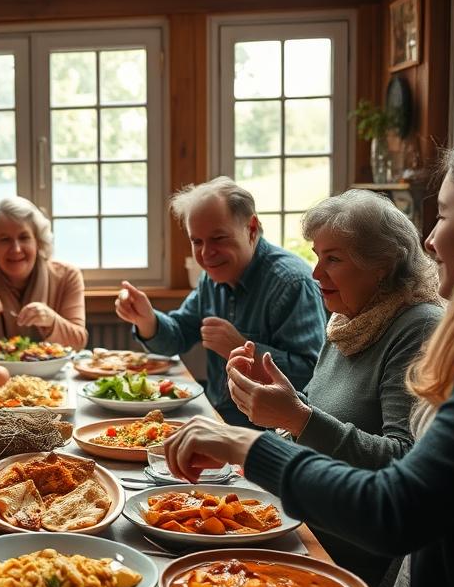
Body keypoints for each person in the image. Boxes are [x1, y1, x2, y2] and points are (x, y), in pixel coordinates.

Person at [163, 137, 454, 587]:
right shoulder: (349, 320)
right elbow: (335, 421)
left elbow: (398, 500)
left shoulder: (449, 337)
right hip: (342, 550)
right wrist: (286, 406)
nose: (432, 238)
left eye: (444, 214)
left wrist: (256, 442)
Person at [227, 189, 442, 587]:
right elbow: (317, 413)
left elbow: (404, 461)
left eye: (334, 259)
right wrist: (275, 399)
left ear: (382, 264)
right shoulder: (349, 318)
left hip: (350, 554)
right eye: (316, 255)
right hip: (304, 520)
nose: (315, 274)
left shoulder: (418, 327)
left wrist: (297, 416)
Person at [115, 177, 325, 426]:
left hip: (273, 437)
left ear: (252, 228)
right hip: (218, 417)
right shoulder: (211, 278)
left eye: (218, 239)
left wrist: (242, 350)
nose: (205, 254)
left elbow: (314, 378)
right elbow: (179, 335)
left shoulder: (292, 283)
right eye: (197, 242)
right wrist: (147, 319)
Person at [0, 197, 87, 353]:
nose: (16, 249)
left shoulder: (67, 276)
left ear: (38, 242)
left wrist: (52, 321)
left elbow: (79, 342)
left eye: (24, 237)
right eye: (5, 240)